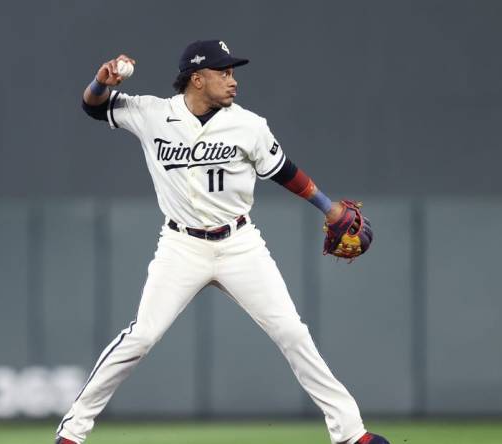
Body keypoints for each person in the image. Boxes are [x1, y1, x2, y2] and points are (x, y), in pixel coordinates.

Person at [55, 40, 388, 444]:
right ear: (197, 79)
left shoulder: (249, 124)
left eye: (233, 72)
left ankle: (352, 434)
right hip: (181, 246)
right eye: (224, 72)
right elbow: (95, 107)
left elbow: (285, 171)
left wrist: (328, 208)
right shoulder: (153, 113)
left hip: (239, 244)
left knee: (292, 332)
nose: (233, 81)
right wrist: (99, 81)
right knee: (141, 337)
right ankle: (72, 433)